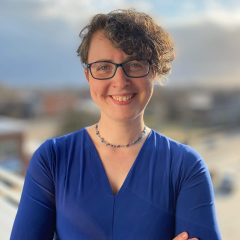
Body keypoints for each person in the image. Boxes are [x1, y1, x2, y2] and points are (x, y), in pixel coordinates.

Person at [10, 9, 221, 240]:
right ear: (88, 76)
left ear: (154, 72)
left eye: (134, 64)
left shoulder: (186, 167)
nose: (120, 81)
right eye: (103, 67)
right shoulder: (51, 160)